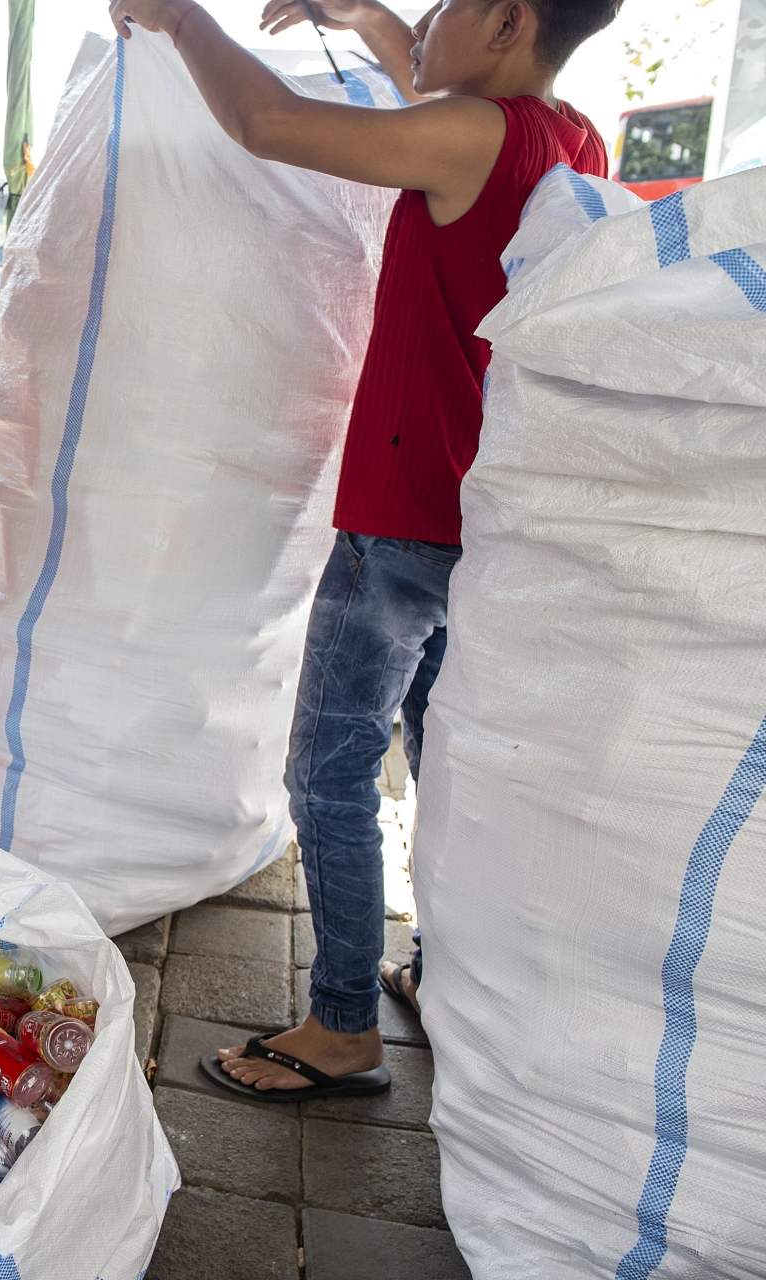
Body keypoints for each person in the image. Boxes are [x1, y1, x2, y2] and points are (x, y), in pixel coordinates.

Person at [104, 0, 616, 1097]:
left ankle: (340, 1023)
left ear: (507, 21)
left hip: (399, 520)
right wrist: (374, 21)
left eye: (447, 5)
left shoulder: (475, 134)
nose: (425, 21)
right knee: (443, 760)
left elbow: (264, 121)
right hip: (473, 519)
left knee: (328, 771)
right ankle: (438, 970)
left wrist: (178, 15)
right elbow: (435, 92)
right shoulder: (568, 138)